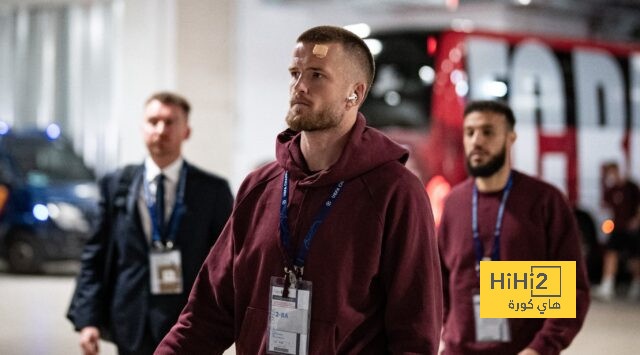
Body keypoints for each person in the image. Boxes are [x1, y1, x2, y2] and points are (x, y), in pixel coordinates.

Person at [156, 25, 442, 354]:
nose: (299, 86)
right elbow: (207, 315)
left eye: (317, 75)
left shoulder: (396, 192)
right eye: (295, 72)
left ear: (355, 94)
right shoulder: (259, 187)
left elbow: (415, 333)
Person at [67, 91, 234, 355]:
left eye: (170, 122)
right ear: (142, 128)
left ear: (186, 131)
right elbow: (95, 256)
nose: (160, 129)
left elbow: (226, 264)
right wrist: (88, 320)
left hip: (189, 325)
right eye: (153, 121)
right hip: (130, 322)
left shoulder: (212, 191)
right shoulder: (117, 185)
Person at [438, 100, 590, 355]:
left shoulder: (544, 200)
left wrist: (539, 348)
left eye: (488, 132)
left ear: (510, 138)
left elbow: (572, 290)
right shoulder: (455, 202)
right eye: (470, 132)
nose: (476, 141)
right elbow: (438, 281)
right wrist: (447, 329)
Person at [594, 162, 640, 301]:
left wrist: (637, 220)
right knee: (610, 253)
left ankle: (636, 284)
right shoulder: (611, 190)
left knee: (634, 258)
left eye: (612, 173)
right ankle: (607, 284)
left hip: (631, 227)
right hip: (617, 227)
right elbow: (604, 205)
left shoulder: (631, 187)